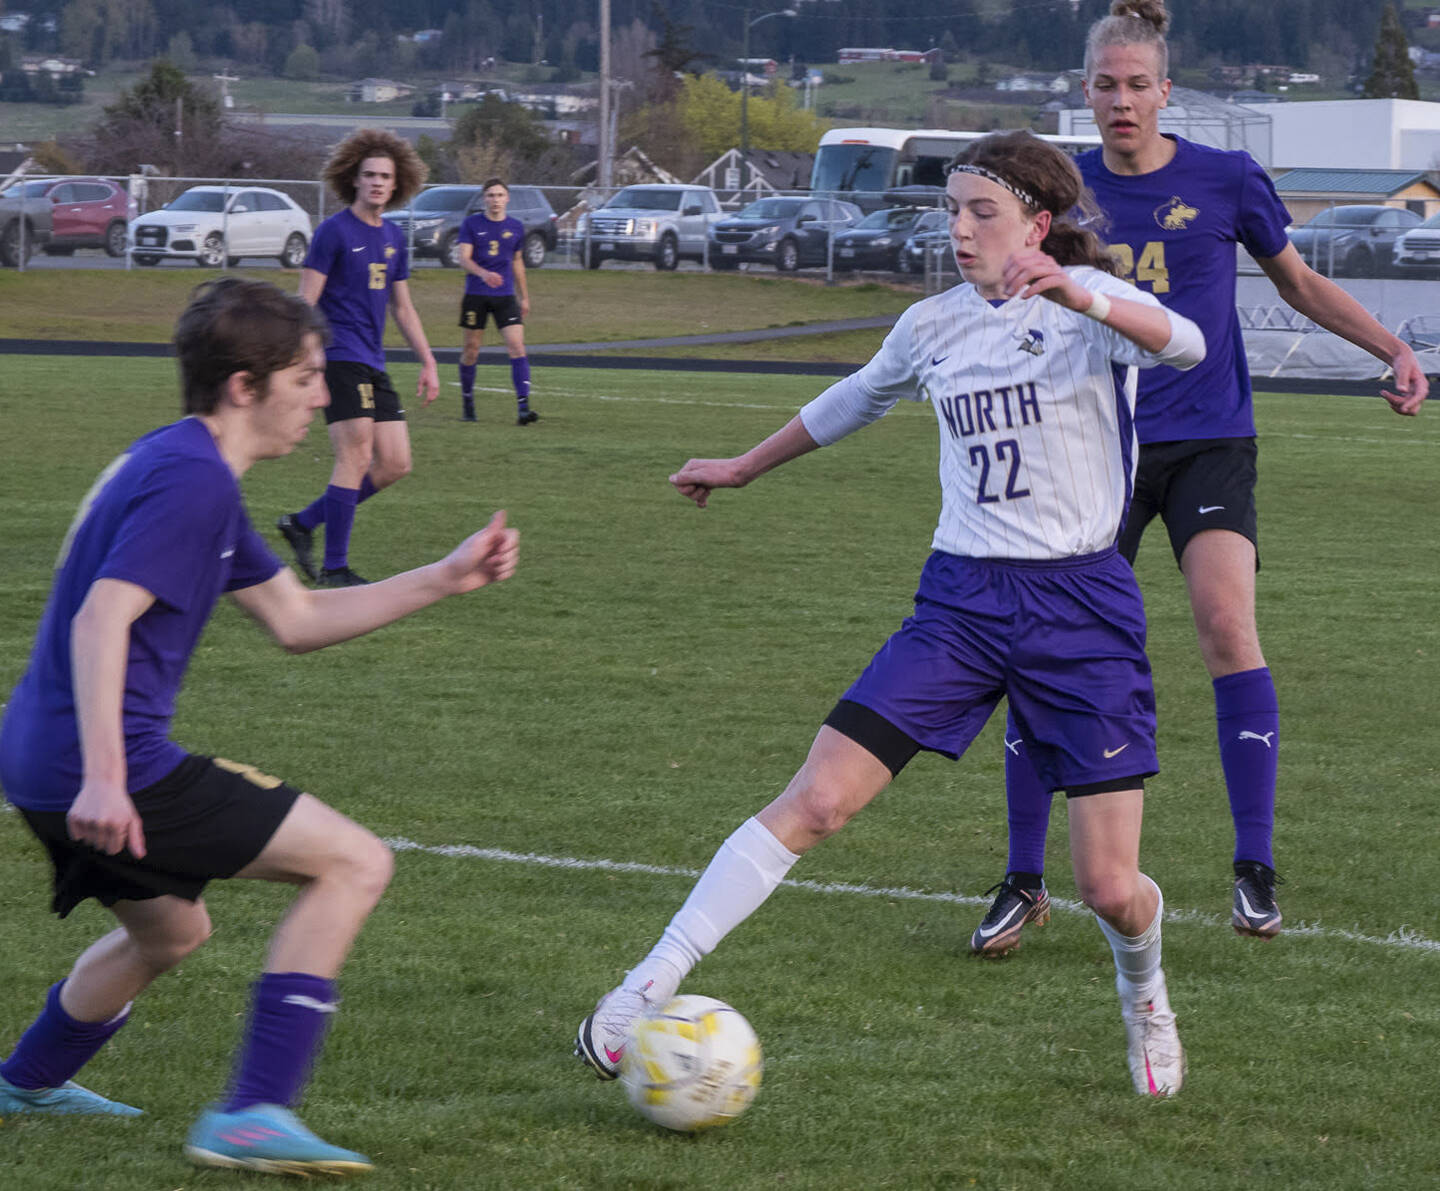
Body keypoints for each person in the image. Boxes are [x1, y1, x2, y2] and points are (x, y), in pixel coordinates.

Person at [575, 131, 1206, 1098]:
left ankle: (1146, 992)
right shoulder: (932, 326)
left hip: (1081, 608)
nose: (957, 229)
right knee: (818, 800)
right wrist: (742, 465)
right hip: (960, 601)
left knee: (1111, 889)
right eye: (949, 210)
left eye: (979, 212)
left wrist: (1081, 291)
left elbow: (1188, 342)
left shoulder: (1094, 316)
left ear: (1037, 223)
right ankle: (640, 988)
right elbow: (857, 397)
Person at [0, 278, 520, 1176]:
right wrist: (106, 777)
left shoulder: (184, 465)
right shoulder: (194, 481)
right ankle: (251, 1111)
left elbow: (295, 619)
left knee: (173, 933)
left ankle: (25, 1080)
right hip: (104, 761)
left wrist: (443, 576)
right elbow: (100, 619)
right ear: (245, 385)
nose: (322, 397)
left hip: (39, 753)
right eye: (307, 378)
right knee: (354, 860)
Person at [969, 0, 1429, 958]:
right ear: (1085, 93)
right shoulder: (1061, 192)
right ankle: (1023, 876)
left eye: (1139, 85)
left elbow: (1298, 283)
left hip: (1211, 438)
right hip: (1095, 450)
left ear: (1166, 92)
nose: (1122, 100)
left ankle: (1252, 868)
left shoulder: (1225, 179)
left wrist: (1392, 345)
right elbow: (1005, 296)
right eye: (1106, 84)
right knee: (1046, 649)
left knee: (1226, 626)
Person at [276, 128, 441, 589]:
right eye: (369, 174)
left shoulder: (393, 236)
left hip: (374, 360)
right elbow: (305, 300)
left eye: (385, 176)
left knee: (395, 464)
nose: (376, 183)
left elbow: (402, 307)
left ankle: (303, 523)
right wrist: (304, 357)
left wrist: (428, 361)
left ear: (397, 183)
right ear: (354, 179)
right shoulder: (332, 232)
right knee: (356, 452)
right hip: (338, 354)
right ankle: (335, 569)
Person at [457, 177, 537, 426]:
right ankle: (468, 402)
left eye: (500, 195)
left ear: (507, 198)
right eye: (490, 195)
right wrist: (483, 273)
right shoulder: (471, 224)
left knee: (517, 346)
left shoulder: (515, 227)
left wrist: (524, 296)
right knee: (471, 350)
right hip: (476, 296)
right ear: (484, 199)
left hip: (505, 297)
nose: (495, 200)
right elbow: (463, 259)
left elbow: (517, 262)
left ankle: (523, 407)